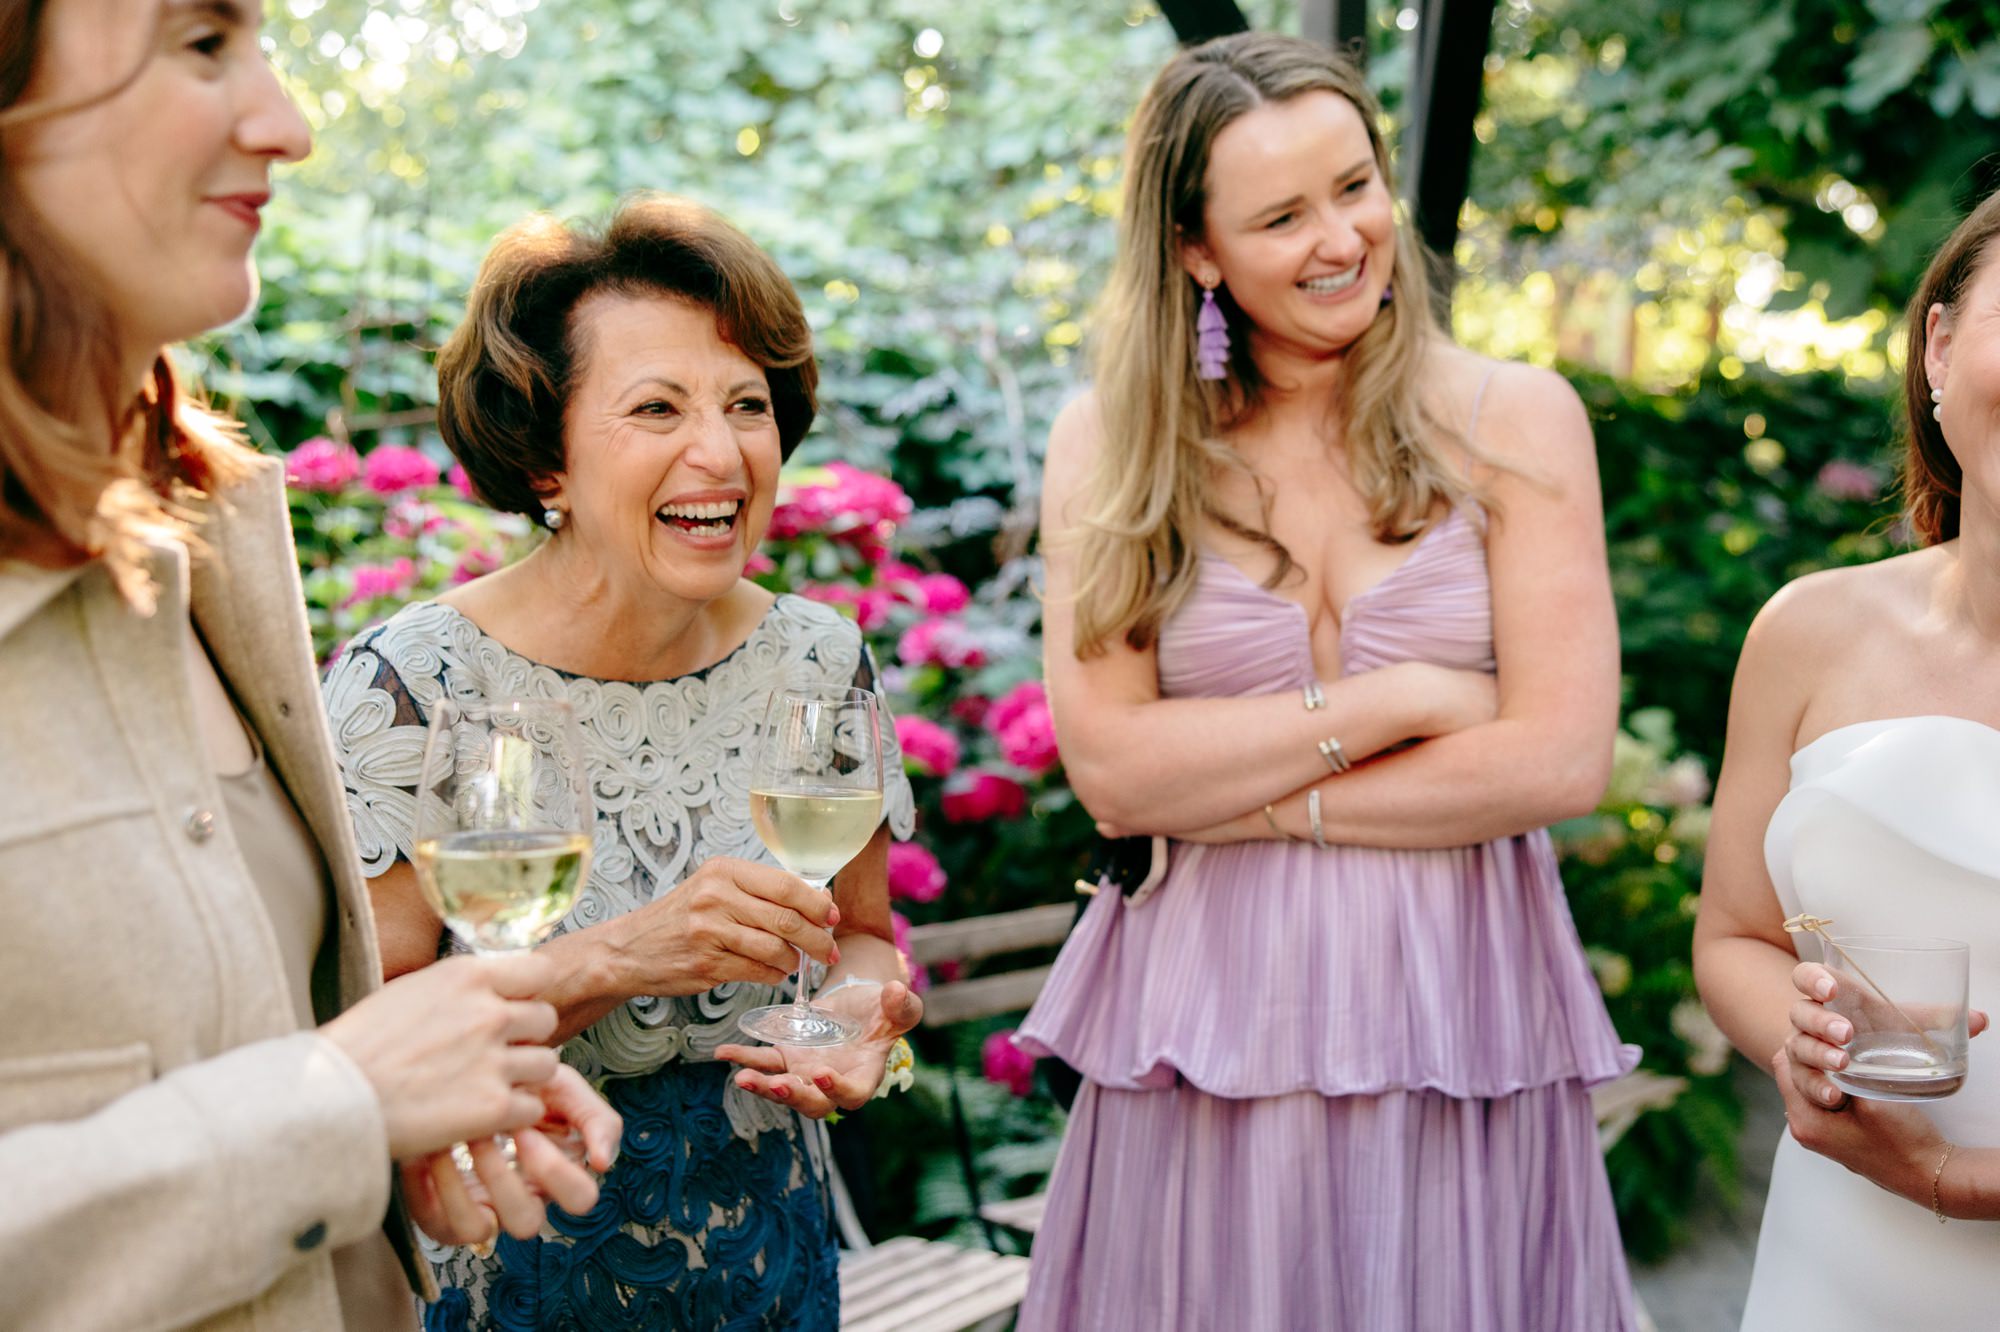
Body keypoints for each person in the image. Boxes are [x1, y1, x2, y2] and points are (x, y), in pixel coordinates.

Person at [0, 3, 622, 1329]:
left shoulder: (193, 554)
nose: (287, 122)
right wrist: (332, 1113)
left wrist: (379, 1133)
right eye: (203, 41)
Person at [1011, 32, 1637, 1330]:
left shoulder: (1518, 421)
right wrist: (1400, 706)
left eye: (1355, 188)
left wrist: (1239, 796)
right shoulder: (1114, 452)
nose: (1339, 239)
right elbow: (1117, 775)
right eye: (1281, 216)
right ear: (1198, 250)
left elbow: (1558, 760)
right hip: (1201, 1023)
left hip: (1459, 1003)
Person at [322, 194, 925, 1330]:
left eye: (746, 404)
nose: (722, 451)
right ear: (544, 459)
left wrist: (852, 1029)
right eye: (657, 407)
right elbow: (359, 1043)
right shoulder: (411, 684)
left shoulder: (819, 658)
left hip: (771, 1274)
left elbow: (857, 932)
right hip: (514, 1275)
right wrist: (618, 957)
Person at [1694, 190, 2000, 1328]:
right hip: (1833, 1271)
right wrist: (1804, 1028)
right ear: (1938, 343)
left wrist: (1938, 1178)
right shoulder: (1802, 634)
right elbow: (1730, 938)